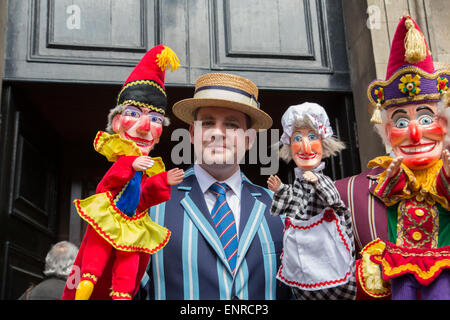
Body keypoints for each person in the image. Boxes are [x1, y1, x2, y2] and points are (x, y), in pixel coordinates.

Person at [138, 72, 290, 300]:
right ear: (192, 133)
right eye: (208, 122)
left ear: (249, 140)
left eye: (231, 124)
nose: (218, 133)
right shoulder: (152, 204)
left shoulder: (280, 207)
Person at [335, 15, 450, 300]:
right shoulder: (348, 191)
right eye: (400, 123)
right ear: (386, 131)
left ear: (445, 125)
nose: (414, 133)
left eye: (426, 118)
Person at [62, 44, 184, 300]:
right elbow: (106, 186)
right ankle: (87, 284)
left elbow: (144, 197)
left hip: (133, 224)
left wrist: (163, 180)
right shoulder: (126, 162)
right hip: (111, 215)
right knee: (96, 253)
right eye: (133, 114)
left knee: (130, 261)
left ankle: (122, 295)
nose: (143, 127)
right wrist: (130, 165)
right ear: (117, 123)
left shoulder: (150, 169)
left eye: (156, 119)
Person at [267, 102, 356, 300]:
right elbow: (292, 204)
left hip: (325, 245)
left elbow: (333, 200)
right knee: (304, 281)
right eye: (298, 138)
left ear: (323, 143)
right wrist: (280, 190)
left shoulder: (322, 180)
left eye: (312, 137)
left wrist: (317, 182)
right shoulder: (298, 182)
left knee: (333, 277)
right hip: (304, 246)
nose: (305, 146)